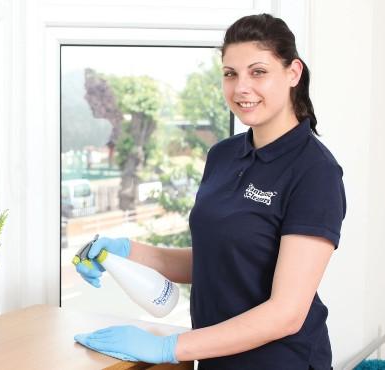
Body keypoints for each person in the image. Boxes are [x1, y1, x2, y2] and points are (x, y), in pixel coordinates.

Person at [74, 13, 346, 370]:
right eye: (230, 74)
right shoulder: (223, 155)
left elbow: (286, 314)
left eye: (258, 71)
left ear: (293, 72)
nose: (240, 88)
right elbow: (217, 258)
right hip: (216, 358)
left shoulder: (314, 172)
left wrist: (169, 347)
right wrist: (125, 252)